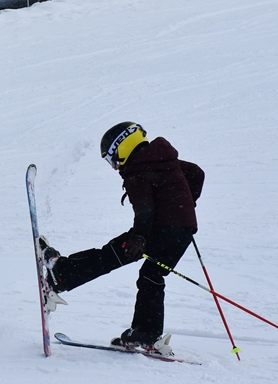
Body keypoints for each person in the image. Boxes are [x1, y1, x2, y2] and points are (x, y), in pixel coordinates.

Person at [38, 122, 204, 351]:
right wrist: (185, 205)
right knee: (152, 275)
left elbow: (144, 210)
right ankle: (145, 333)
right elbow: (196, 173)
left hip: (157, 229)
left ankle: (61, 275)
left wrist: (139, 238)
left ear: (123, 148)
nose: (115, 167)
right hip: (183, 231)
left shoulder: (138, 170)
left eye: (112, 158)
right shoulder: (164, 159)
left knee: (110, 256)